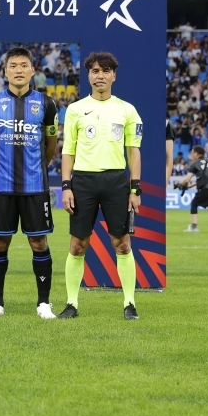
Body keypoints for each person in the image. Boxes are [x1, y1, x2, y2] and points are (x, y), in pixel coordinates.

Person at [0, 47, 59, 319]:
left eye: (24, 65)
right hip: (2, 187)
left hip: (35, 187)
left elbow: (51, 144)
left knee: (39, 244)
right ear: (6, 71)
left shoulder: (46, 104)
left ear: (33, 70)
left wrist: (38, 169)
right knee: (0, 242)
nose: (19, 70)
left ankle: (43, 303)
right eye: (14, 65)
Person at [59, 51, 143, 321]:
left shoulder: (127, 109)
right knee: (77, 245)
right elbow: (67, 152)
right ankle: (72, 304)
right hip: (82, 181)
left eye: (105, 71)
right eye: (95, 71)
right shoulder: (75, 110)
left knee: (122, 243)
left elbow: (134, 152)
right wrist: (66, 186)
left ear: (114, 76)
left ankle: (129, 304)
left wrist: (135, 189)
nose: (100, 76)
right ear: (89, 76)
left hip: (116, 181)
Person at [176, 145, 208, 232]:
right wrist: (190, 186)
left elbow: (187, 179)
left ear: (196, 154)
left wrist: (181, 185)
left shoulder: (195, 164)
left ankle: (194, 227)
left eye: (192, 153)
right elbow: (207, 178)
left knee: (194, 203)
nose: (191, 155)